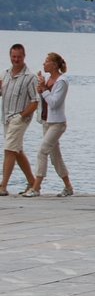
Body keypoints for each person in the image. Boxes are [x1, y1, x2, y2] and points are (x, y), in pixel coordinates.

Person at [24, 52, 74, 198]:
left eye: (46, 61)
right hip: (47, 121)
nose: (44, 64)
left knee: (42, 151)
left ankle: (36, 187)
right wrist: (41, 88)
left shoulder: (62, 81)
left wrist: (44, 90)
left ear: (54, 64)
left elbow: (54, 102)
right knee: (55, 156)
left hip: (57, 123)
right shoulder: (48, 79)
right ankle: (68, 186)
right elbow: (44, 100)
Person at [0, 44, 38, 196]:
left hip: (19, 118)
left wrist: (22, 115)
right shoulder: (5, 74)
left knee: (9, 149)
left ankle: (3, 186)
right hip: (6, 118)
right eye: (13, 56)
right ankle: (33, 182)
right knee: (17, 150)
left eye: (19, 57)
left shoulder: (30, 77)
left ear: (24, 56)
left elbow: (35, 101)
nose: (16, 59)